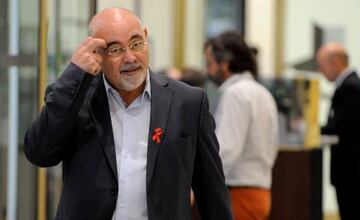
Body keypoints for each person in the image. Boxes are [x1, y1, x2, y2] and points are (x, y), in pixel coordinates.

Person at [24, 7, 233, 220]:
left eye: (136, 43)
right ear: (97, 53)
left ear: (146, 36)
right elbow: (39, 153)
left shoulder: (188, 102)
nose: (130, 57)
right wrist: (74, 73)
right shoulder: (75, 99)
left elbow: (212, 193)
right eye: (115, 50)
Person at [204, 31, 279, 219]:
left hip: (240, 193)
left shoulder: (235, 94)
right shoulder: (261, 92)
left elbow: (226, 150)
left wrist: (199, 183)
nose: (208, 71)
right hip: (259, 192)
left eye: (210, 63)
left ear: (225, 63)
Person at [317, 43, 360, 220]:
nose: (320, 71)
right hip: (351, 172)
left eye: (321, 65)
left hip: (352, 172)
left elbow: (339, 127)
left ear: (334, 62)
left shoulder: (351, 88)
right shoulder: (350, 85)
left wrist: (311, 129)